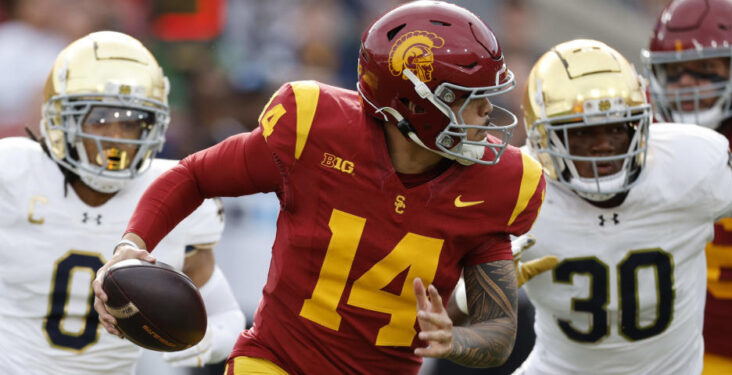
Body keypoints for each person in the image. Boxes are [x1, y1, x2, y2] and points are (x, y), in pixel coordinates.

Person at [91, 1, 547, 374]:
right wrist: (132, 245)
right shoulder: (315, 128)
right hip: (276, 363)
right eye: (472, 98)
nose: (489, 113)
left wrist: (455, 340)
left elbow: (499, 330)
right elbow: (194, 175)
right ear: (417, 104)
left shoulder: (497, 183)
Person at [0, 31, 245, 374]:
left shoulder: (175, 192)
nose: (115, 139)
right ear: (63, 120)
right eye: (100, 120)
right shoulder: (12, 172)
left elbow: (226, 315)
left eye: (132, 123)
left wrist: (208, 342)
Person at [506, 38, 732, 375]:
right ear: (544, 138)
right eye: (581, 132)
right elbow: (447, 308)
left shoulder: (690, 164)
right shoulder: (513, 188)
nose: (603, 144)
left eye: (617, 127)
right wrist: (472, 296)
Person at [641, 0, 732, 373]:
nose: (686, 84)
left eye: (705, 68)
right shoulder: (634, 128)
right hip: (668, 352)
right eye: (673, 71)